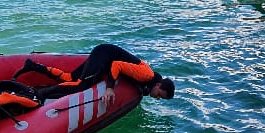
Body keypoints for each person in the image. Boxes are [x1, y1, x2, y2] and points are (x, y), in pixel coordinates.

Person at [13, 43, 175, 102]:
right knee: (80, 85)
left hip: (103, 53)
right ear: (159, 85)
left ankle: (33, 66)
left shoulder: (148, 80)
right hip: (104, 56)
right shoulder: (147, 75)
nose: (158, 98)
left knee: (69, 77)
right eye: (160, 94)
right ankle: (39, 93)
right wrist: (110, 88)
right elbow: (117, 65)